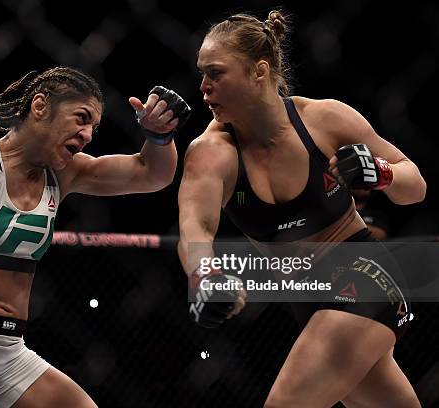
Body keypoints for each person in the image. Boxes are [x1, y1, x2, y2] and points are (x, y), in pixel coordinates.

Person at [0, 66, 190, 408]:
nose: (87, 135)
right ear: (40, 106)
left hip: (9, 352)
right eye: (80, 118)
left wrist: (160, 136)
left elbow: (151, 174)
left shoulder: (65, 174)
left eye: (93, 128)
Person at [178, 10, 426, 408]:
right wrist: (203, 274)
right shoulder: (210, 154)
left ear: (259, 71)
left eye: (216, 74)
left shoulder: (323, 119)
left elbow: (415, 185)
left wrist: (382, 174)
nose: (203, 87)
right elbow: (196, 229)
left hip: (365, 275)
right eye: (201, 74)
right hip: (306, 299)